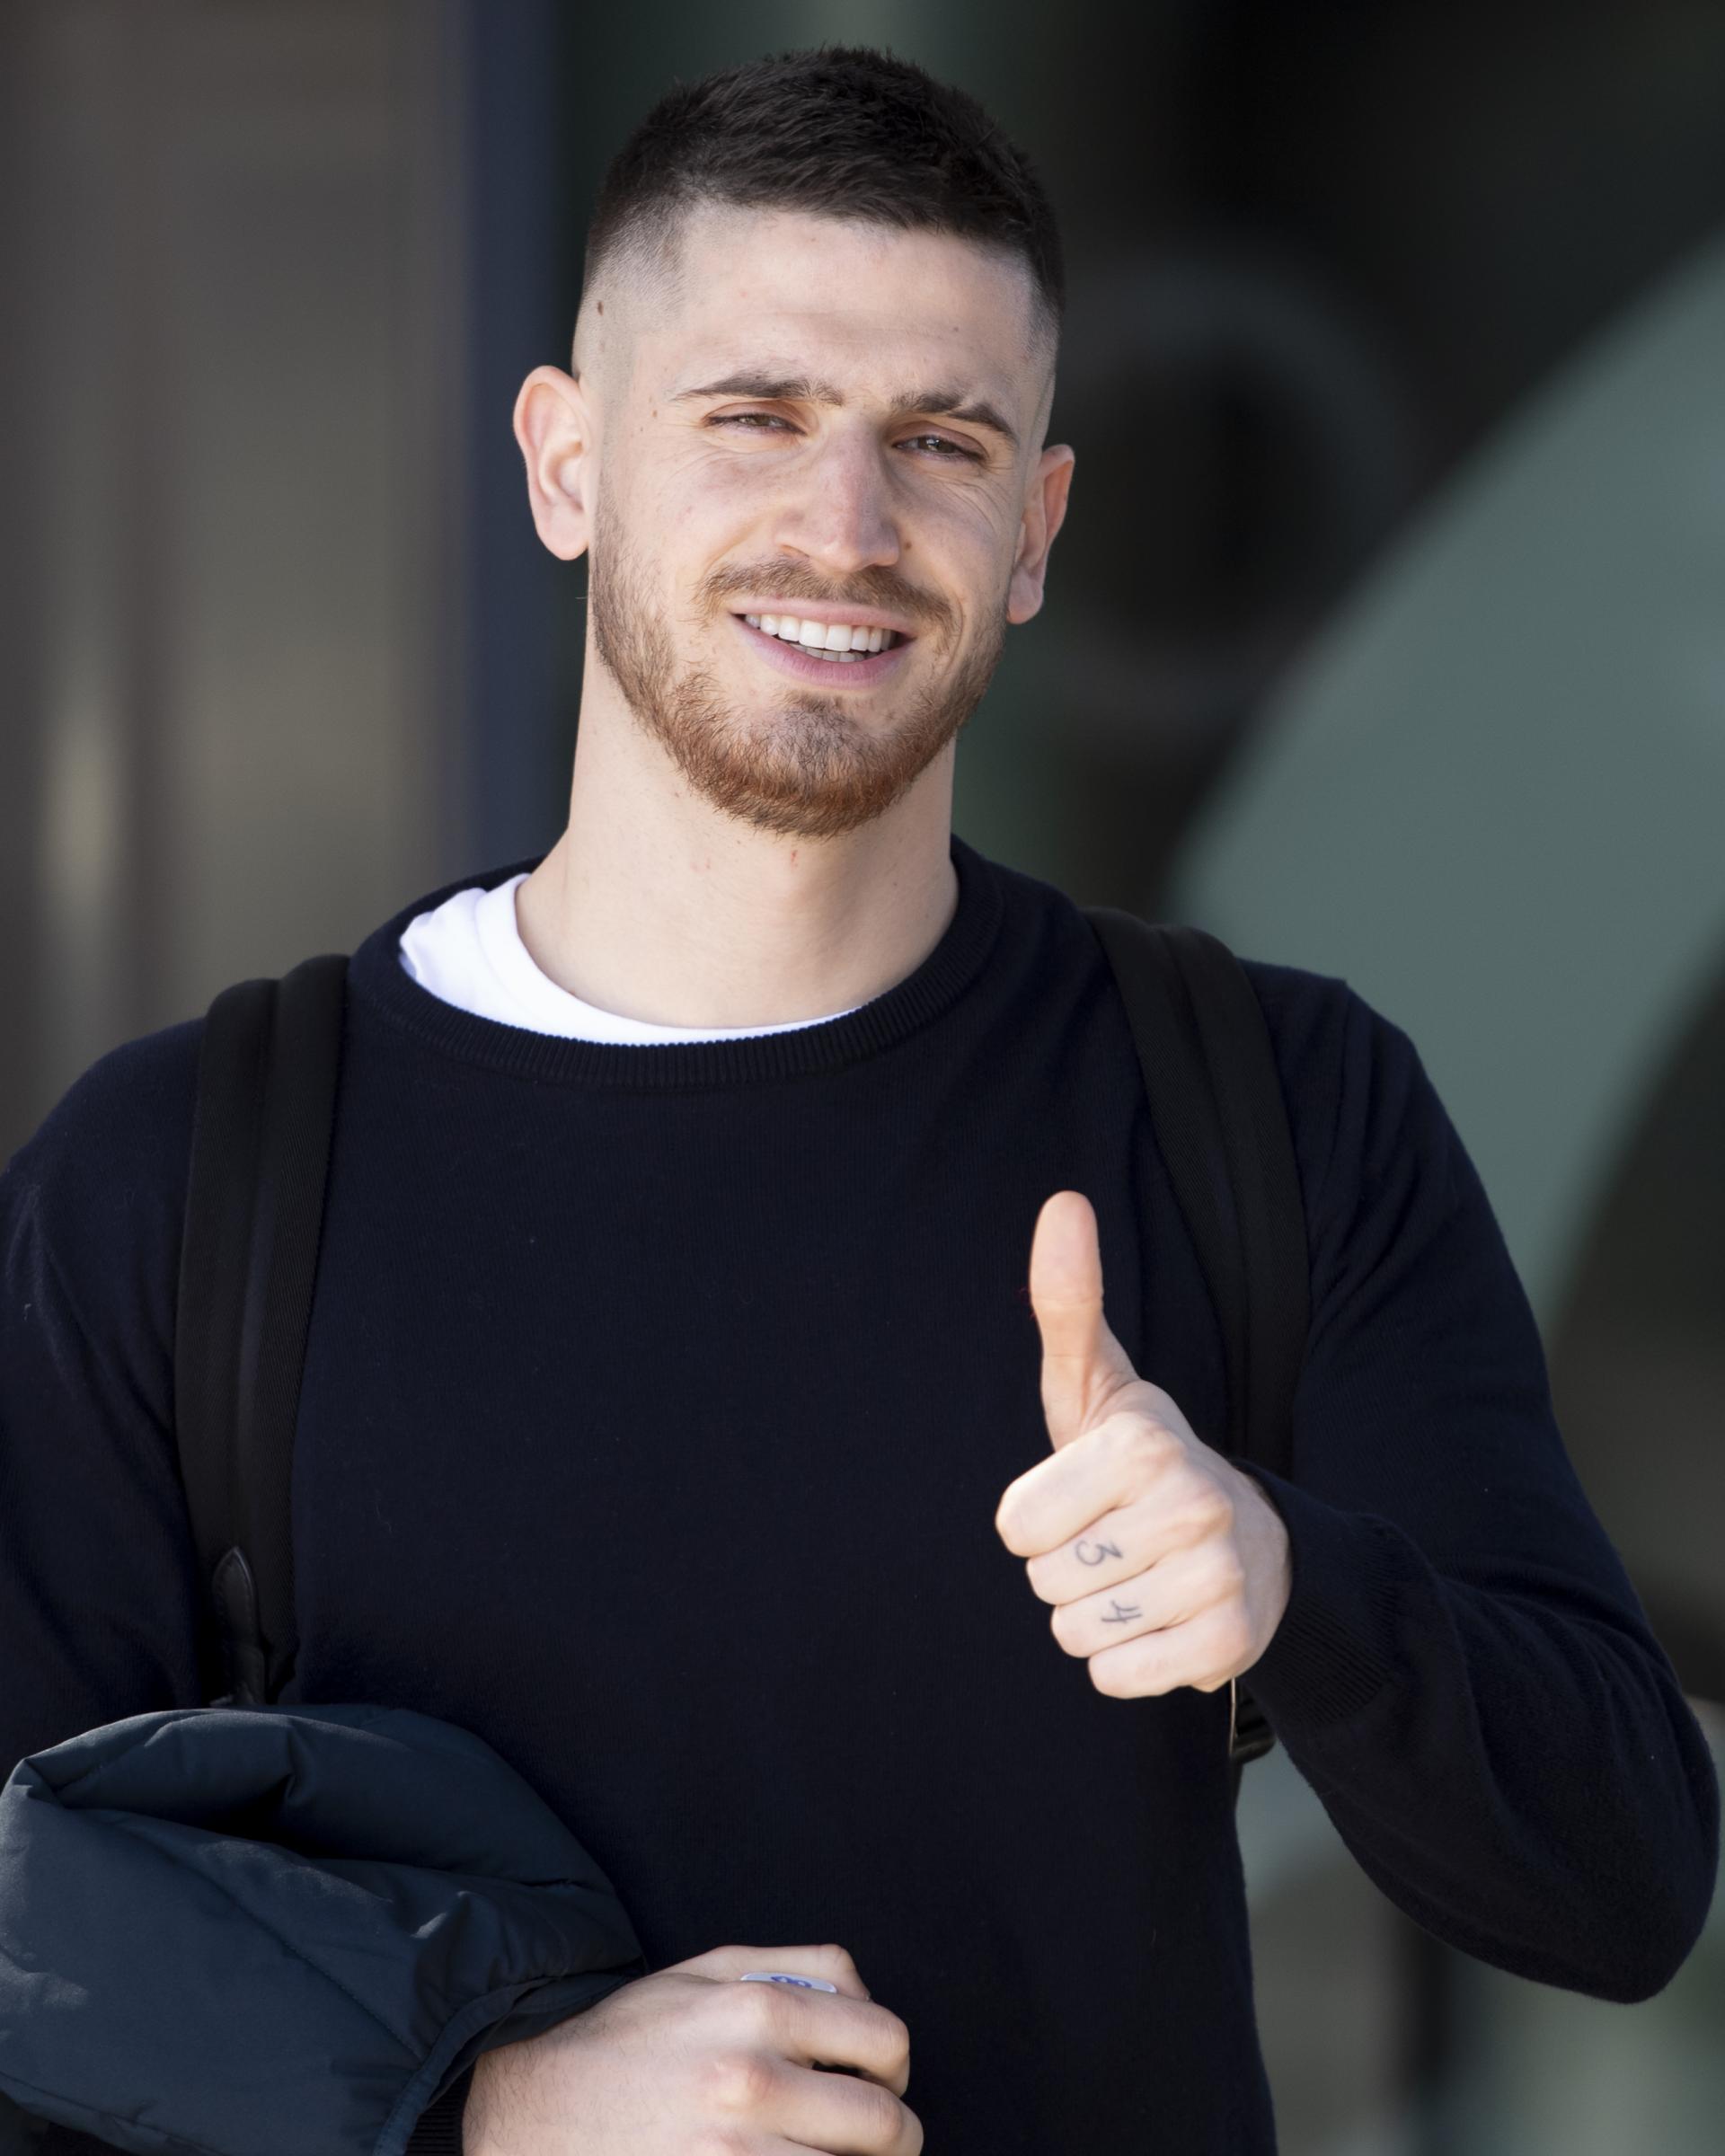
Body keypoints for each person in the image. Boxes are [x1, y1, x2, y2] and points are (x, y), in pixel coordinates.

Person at [1, 43, 1717, 2156]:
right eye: (757, 415)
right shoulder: (192, 1183)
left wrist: (1291, 1588)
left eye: (943, 439)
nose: (848, 526)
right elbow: (26, 1947)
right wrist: (486, 2112)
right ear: (565, 465)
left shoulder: (1268, 1106)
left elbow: (1625, 1877)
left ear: (1037, 530)